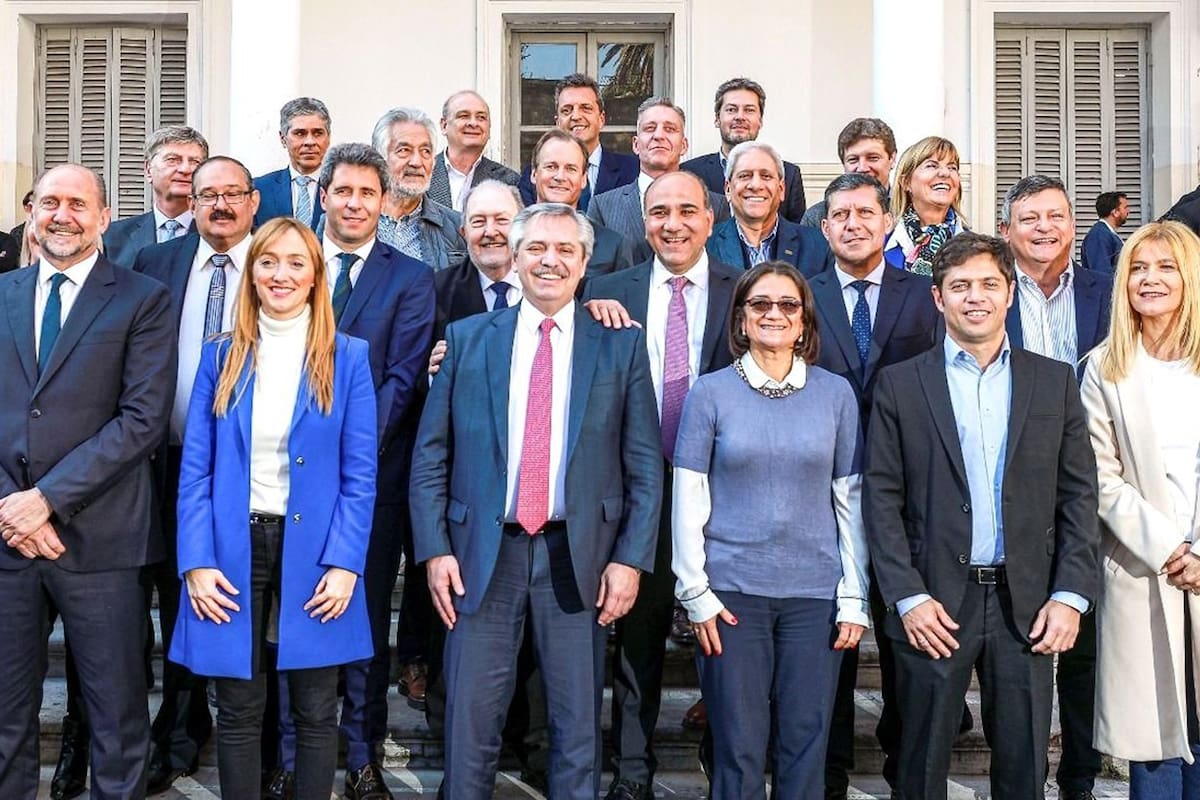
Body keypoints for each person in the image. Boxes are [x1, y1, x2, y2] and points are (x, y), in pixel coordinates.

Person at [409, 202, 663, 799]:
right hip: (480, 555)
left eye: (565, 251)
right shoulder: (466, 341)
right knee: (471, 723)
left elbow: (645, 467)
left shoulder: (619, 346)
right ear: (516, 258)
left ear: (584, 265)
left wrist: (630, 560)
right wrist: (434, 550)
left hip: (578, 559)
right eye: (537, 249)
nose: (550, 261)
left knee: (576, 727)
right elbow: (429, 459)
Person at [864, 232, 1100, 800]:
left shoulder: (1053, 381)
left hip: (1029, 606)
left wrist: (1071, 594)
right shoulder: (901, 384)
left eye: (989, 284)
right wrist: (907, 596)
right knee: (918, 767)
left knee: (1023, 773)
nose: (976, 297)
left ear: (1010, 293)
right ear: (938, 299)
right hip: (933, 605)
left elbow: (1079, 496)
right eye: (960, 286)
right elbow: (881, 497)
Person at [170, 216, 378, 800]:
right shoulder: (222, 355)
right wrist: (196, 560)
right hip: (233, 550)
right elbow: (196, 472)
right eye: (268, 262)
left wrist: (345, 563)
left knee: (315, 710)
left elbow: (361, 476)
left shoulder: (348, 356)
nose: (280, 274)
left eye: (295, 262)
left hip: (315, 554)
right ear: (252, 273)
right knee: (237, 711)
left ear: (315, 275)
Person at [0, 163, 176, 798]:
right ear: (32, 213)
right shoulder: (2, 294)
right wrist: (11, 508)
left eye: (78, 203)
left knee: (117, 725)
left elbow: (141, 419)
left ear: (104, 219)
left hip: (104, 544)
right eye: (50, 202)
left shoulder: (143, 299)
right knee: (5, 722)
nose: (62, 215)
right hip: (7, 546)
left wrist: (45, 501)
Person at [671, 260, 868, 798]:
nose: (774, 314)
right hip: (733, 596)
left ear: (805, 321)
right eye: (760, 304)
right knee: (737, 745)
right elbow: (689, 498)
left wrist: (854, 596)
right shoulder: (709, 394)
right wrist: (695, 592)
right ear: (740, 319)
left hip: (814, 596)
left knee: (805, 743)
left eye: (788, 305)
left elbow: (849, 500)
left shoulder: (836, 395)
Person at [582, 170, 740, 800]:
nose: (671, 224)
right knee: (637, 643)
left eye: (686, 211)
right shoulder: (606, 290)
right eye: (658, 213)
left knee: (721, 637)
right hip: (637, 491)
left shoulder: (746, 290)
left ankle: (721, 763)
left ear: (709, 220)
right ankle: (633, 772)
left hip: (723, 495)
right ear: (643, 222)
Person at [132, 154, 262, 795]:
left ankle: (239, 731)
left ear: (253, 202)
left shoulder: (277, 267)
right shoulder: (156, 265)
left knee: (233, 597)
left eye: (233, 194)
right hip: (163, 459)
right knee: (174, 595)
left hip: (247, 471)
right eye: (208, 193)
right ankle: (177, 732)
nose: (219, 205)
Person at [810, 172, 940, 797]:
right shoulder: (801, 297)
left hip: (908, 494)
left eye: (865, 212)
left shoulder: (925, 297)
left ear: (887, 221)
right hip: (822, 495)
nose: (854, 223)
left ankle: (902, 765)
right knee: (831, 637)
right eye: (840, 214)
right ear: (825, 226)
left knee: (902, 636)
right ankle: (829, 771)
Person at [998, 173, 1111, 800]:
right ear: (1008, 229)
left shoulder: (1106, 291)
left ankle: (1080, 777)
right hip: (1016, 480)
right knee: (1021, 643)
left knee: (1086, 642)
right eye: (1031, 218)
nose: (1045, 228)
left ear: (1073, 224)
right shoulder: (992, 292)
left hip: (1093, 479)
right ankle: (1021, 776)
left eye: (1056, 216)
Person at [1081, 220, 1200, 798]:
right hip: (1144, 569)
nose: (1149, 280)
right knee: (1154, 745)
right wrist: (1172, 548)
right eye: (1138, 268)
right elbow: (1100, 477)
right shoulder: (1104, 368)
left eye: (1166, 267)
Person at [587, 97, 729, 260]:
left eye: (669, 129)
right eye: (650, 128)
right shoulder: (602, 207)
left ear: (684, 145)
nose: (659, 135)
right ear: (635, 144)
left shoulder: (716, 205)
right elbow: (597, 275)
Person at [681, 77, 806, 222]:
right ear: (717, 119)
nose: (740, 117)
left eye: (749, 110)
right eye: (731, 110)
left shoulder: (789, 175)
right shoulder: (689, 173)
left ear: (760, 120)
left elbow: (796, 236)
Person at [706, 140, 833, 275]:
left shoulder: (819, 245)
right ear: (728, 190)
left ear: (781, 189)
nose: (755, 185)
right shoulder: (705, 245)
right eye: (744, 176)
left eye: (766, 176)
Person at [517, 73, 640, 211]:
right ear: (557, 122)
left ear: (601, 119)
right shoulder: (535, 177)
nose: (575, 116)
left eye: (586, 108)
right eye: (567, 110)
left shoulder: (633, 170)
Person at [371, 107, 467, 270]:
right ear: (378, 159)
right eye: (404, 151)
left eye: (425, 151)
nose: (416, 162)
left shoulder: (458, 227)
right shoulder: (352, 221)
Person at [531, 128, 634, 278]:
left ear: (584, 179)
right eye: (551, 167)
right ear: (534, 174)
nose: (560, 176)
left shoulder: (612, 246)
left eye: (570, 169)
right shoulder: (510, 235)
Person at [103, 125, 209, 267]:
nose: (185, 169)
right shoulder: (112, 237)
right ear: (148, 170)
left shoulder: (216, 233)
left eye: (195, 162)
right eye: (173, 159)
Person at [883, 136, 966, 275]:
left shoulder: (977, 247)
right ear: (906, 182)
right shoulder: (880, 245)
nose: (945, 173)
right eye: (932, 166)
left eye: (952, 167)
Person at [429, 90, 520, 213]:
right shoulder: (422, 174)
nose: (473, 123)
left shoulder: (509, 181)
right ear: (444, 125)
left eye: (481, 118)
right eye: (464, 116)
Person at [800, 117, 898, 228]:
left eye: (873, 158)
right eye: (853, 160)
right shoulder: (817, 217)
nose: (862, 168)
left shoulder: (910, 211)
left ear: (892, 159)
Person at [253, 97, 333, 230]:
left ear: (328, 138)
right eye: (300, 133)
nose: (310, 142)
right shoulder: (260, 190)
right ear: (283, 138)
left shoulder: (340, 189)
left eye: (318, 133)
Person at [1080, 191, 1129, 274]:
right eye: (1125, 207)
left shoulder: (1106, 233)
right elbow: (1101, 273)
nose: (1128, 211)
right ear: (1115, 212)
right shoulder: (1098, 236)